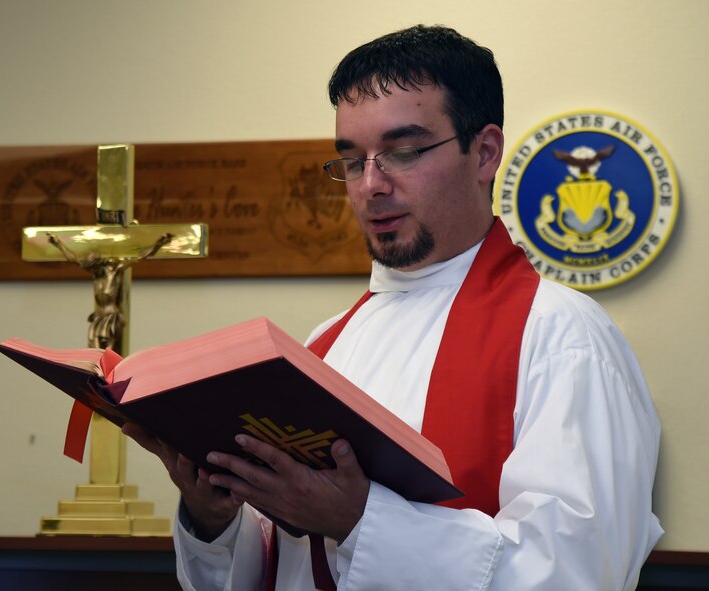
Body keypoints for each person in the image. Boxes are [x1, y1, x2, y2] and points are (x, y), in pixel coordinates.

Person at [124, 24, 662, 590]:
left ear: (483, 153)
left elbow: (577, 572)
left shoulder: (561, 335)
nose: (370, 185)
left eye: (403, 152)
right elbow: (280, 567)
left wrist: (358, 520)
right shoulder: (324, 345)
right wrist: (214, 519)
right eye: (353, 162)